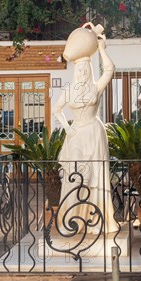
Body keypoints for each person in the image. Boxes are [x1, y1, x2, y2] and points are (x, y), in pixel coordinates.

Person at [52, 24, 118, 234]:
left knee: (95, 176)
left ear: (89, 71)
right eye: (78, 70)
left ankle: (96, 221)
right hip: (76, 135)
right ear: (75, 71)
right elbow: (56, 110)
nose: (81, 72)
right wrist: (66, 128)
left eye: (84, 70)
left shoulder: (96, 87)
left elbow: (109, 69)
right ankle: (71, 220)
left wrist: (101, 49)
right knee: (76, 176)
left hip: (94, 133)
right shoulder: (68, 90)